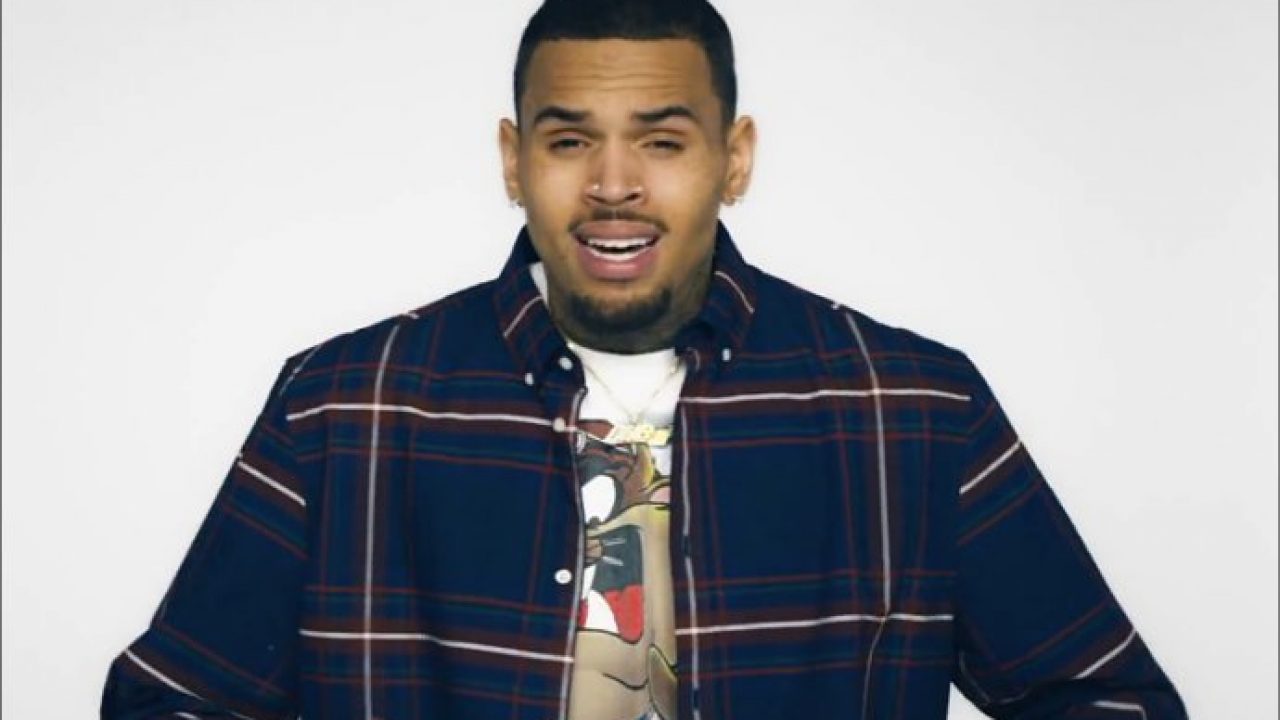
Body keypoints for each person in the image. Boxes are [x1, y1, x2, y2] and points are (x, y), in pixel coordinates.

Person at [101, 0, 1187, 718]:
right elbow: (175, 703)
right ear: (513, 161)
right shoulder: (343, 407)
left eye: (662, 141)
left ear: (734, 159)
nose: (613, 184)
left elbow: (1104, 701)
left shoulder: (912, 405)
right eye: (568, 140)